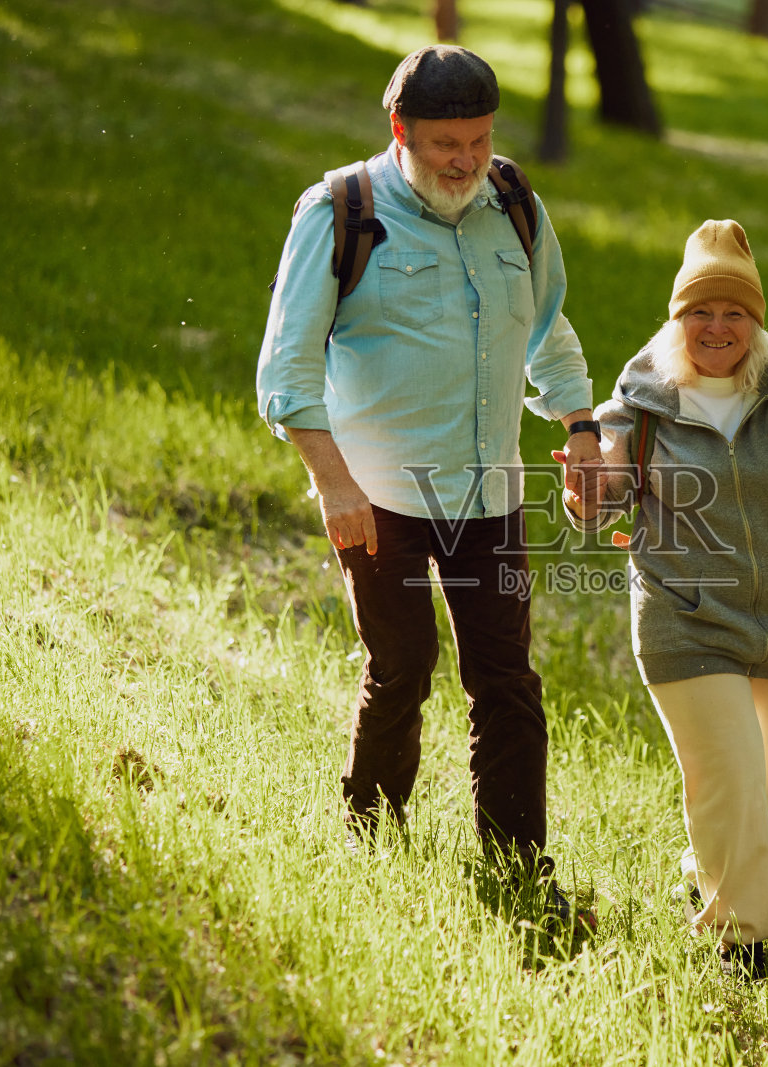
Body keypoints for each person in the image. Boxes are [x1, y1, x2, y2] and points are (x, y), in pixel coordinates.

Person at [256, 45, 603, 922]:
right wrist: (332, 482)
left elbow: (547, 325)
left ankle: (521, 871)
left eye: (480, 140)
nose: (467, 161)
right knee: (404, 665)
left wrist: (581, 428)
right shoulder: (343, 210)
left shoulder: (514, 203)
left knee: (508, 681)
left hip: (488, 494)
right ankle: (370, 837)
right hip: (378, 493)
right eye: (447, 143)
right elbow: (286, 373)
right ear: (400, 130)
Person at [564, 219, 768, 975]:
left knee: (748, 782)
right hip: (685, 617)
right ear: (678, 318)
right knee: (731, 775)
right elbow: (598, 503)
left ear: (756, 320)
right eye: (701, 311)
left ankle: (699, 873)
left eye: (734, 312)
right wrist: (586, 491)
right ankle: (740, 942)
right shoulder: (638, 405)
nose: (717, 327)